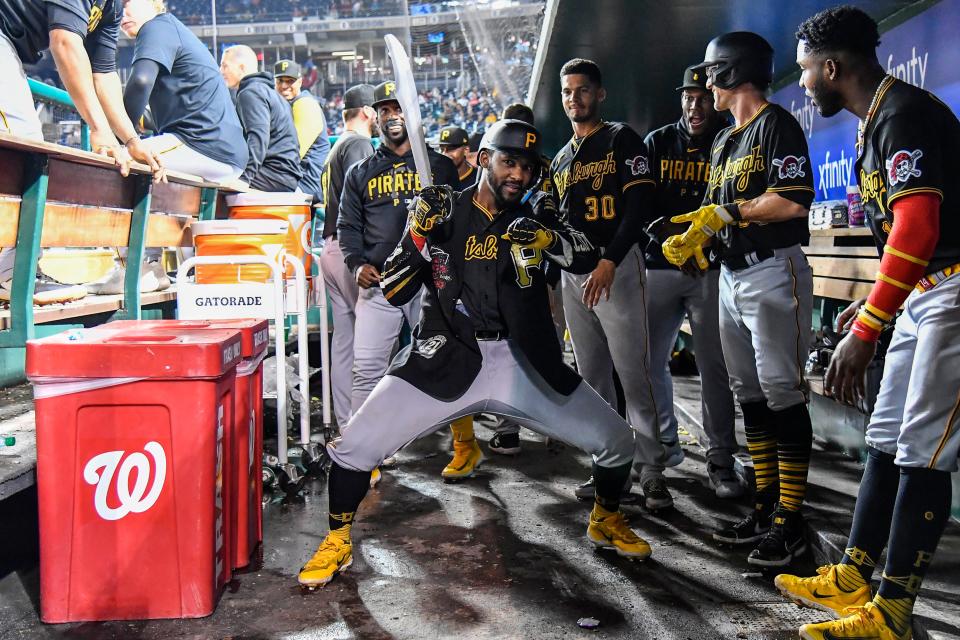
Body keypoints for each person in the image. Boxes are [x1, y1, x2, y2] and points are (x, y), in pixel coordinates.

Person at [297, 119, 660, 587]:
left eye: (528, 167)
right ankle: (337, 540)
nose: (519, 175)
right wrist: (418, 234)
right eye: (509, 162)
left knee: (617, 441)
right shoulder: (443, 212)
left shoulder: (535, 216)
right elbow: (393, 287)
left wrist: (549, 239)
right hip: (446, 356)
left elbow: (586, 256)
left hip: (522, 363)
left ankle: (605, 518)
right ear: (483, 159)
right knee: (352, 450)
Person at [776, 7, 960, 639]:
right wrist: (876, 305)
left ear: (832, 66)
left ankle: (894, 608)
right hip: (927, 294)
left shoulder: (902, 112)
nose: (802, 83)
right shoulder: (878, 116)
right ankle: (855, 574)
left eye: (804, 70)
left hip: (955, 296)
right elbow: (903, 238)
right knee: (884, 434)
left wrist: (866, 328)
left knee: (921, 452)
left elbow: (920, 227)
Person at [662, 32, 815, 567]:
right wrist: (696, 236)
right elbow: (712, 208)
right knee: (748, 392)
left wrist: (729, 215)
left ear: (733, 72)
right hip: (729, 275)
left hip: (774, 270)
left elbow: (793, 201)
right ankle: (767, 506)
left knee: (782, 391)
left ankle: (792, 520)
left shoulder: (778, 124)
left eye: (712, 72)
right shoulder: (727, 140)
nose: (706, 82)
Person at [549, 58, 665, 508]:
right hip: (573, 275)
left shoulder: (621, 139)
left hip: (613, 267)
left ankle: (653, 470)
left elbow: (639, 206)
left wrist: (611, 259)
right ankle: (609, 466)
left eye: (581, 90)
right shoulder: (562, 159)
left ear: (599, 94)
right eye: (566, 92)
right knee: (592, 377)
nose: (573, 99)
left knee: (634, 373)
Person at [0, 0, 164, 295]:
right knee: (26, 145)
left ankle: (13, 269)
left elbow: (103, 73)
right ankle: (12, 273)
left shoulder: (112, 8)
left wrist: (130, 139)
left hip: (8, 45)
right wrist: (99, 129)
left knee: (27, 148)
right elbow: (63, 42)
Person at [335, 79, 458, 431]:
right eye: (385, 109)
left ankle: (458, 444)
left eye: (398, 107)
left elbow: (461, 223)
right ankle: (362, 448)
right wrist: (356, 263)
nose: (392, 115)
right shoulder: (362, 171)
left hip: (431, 282)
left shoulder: (440, 167)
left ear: (412, 112)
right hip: (381, 282)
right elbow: (347, 226)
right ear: (374, 117)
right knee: (367, 368)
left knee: (442, 361)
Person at [642, 65, 741, 499]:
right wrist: (671, 240)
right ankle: (660, 451)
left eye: (702, 97)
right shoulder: (658, 141)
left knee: (714, 368)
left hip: (709, 268)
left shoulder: (729, 139)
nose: (694, 105)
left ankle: (721, 460)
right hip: (661, 265)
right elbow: (639, 201)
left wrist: (702, 244)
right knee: (648, 362)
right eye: (688, 97)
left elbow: (736, 203)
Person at [121, 0, 247, 182]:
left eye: (126, 3)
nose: (121, 12)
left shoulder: (156, 26)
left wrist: (120, 138)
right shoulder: (170, 28)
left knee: (113, 156)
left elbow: (141, 82)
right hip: (218, 149)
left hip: (201, 144)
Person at [318, 83, 377, 428]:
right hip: (349, 250)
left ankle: (347, 424)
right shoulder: (358, 143)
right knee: (370, 343)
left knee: (345, 342)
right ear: (368, 112)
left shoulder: (336, 145)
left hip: (330, 247)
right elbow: (365, 197)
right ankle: (366, 429)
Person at [220, 45, 301, 191]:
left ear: (242, 67)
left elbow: (258, 137)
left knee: (215, 178)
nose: (221, 71)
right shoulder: (268, 91)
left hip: (273, 175)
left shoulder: (250, 92)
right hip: (283, 176)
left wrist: (245, 179)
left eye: (225, 66)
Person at [274, 59, 330, 203]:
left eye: (290, 81)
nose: (284, 86)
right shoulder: (286, 106)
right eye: (280, 81)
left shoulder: (305, 104)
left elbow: (293, 154)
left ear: (299, 82)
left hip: (307, 182)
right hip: (295, 179)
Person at [437, 125, 477, 190]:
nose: (444, 154)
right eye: (441, 149)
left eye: (451, 149)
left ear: (466, 150)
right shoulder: (436, 177)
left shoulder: (479, 180)